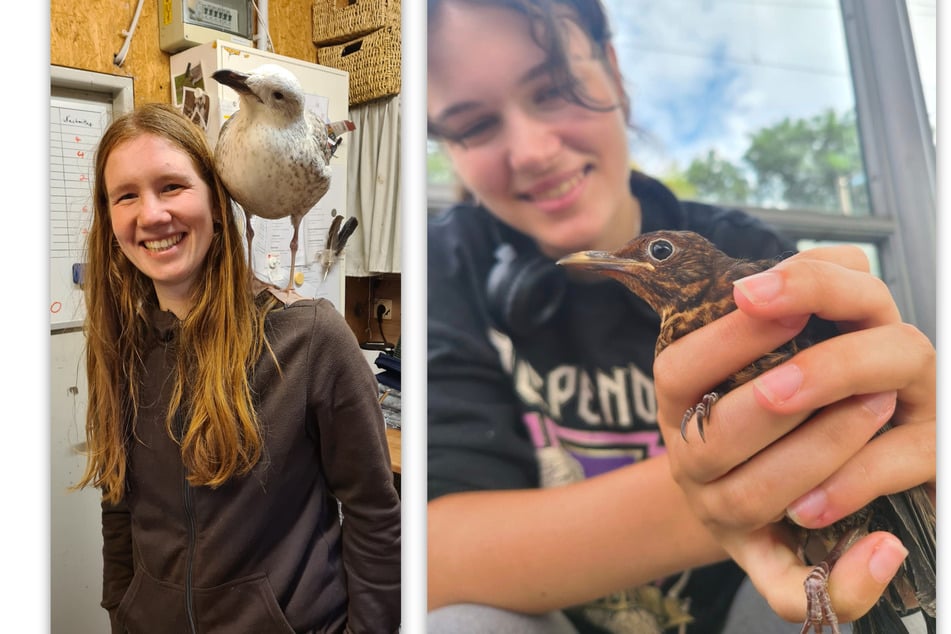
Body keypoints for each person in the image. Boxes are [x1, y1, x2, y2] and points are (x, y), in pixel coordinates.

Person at [426, 1, 936, 632]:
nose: (532, 152)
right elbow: (428, 557)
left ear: (614, 72)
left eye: (555, 88)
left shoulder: (754, 267)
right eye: (472, 125)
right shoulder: (445, 270)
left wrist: (903, 424)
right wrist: (705, 493)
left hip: (748, 596)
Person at [75, 103, 401, 633]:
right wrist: (122, 610)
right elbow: (119, 507)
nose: (151, 214)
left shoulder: (311, 340)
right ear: (109, 219)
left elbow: (374, 518)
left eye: (172, 186)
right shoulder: (123, 347)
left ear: (216, 202)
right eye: (126, 195)